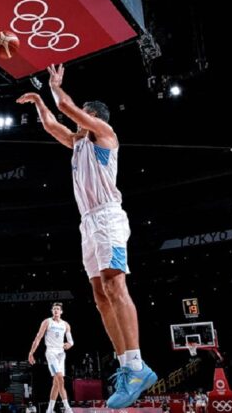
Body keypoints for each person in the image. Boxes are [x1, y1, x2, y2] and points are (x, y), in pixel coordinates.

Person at [18, 64, 156, 408]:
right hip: (88, 223)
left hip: (108, 217)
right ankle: (126, 366)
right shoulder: (77, 142)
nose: (75, 119)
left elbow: (65, 107)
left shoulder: (105, 134)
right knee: (100, 295)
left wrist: (54, 86)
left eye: (82, 115)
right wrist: (39, 101)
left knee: (115, 284)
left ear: (91, 117)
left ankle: (138, 365)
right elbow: (53, 125)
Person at [27, 302, 74, 413]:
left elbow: (71, 341)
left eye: (58, 309)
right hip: (51, 353)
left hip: (61, 354)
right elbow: (38, 338)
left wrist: (70, 344)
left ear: (61, 311)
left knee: (56, 383)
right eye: (54, 309)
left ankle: (50, 409)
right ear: (52, 311)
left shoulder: (66, 325)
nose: (56, 310)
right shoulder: (47, 322)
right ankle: (67, 408)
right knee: (60, 378)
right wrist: (31, 353)